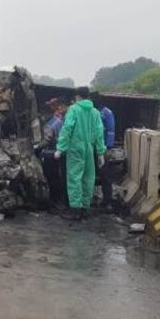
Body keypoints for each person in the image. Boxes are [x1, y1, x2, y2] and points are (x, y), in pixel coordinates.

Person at [54, 87, 106, 221]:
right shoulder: (95, 112)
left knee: (74, 177)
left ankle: (75, 210)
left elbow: (67, 128)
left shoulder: (74, 109)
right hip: (90, 148)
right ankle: (85, 209)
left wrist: (60, 148)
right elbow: (100, 132)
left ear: (77, 96)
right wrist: (100, 152)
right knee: (88, 177)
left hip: (75, 147)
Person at [38, 97, 67, 207]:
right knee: (53, 176)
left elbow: (49, 138)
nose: (50, 107)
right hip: (54, 151)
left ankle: (56, 200)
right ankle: (56, 199)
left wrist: (37, 148)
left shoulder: (56, 121)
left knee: (53, 176)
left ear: (57, 106)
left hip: (54, 151)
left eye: (52, 105)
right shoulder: (55, 119)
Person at [95, 100, 116, 210]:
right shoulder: (92, 111)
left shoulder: (106, 113)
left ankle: (107, 201)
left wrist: (108, 147)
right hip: (90, 148)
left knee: (105, 176)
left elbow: (111, 131)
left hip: (102, 149)